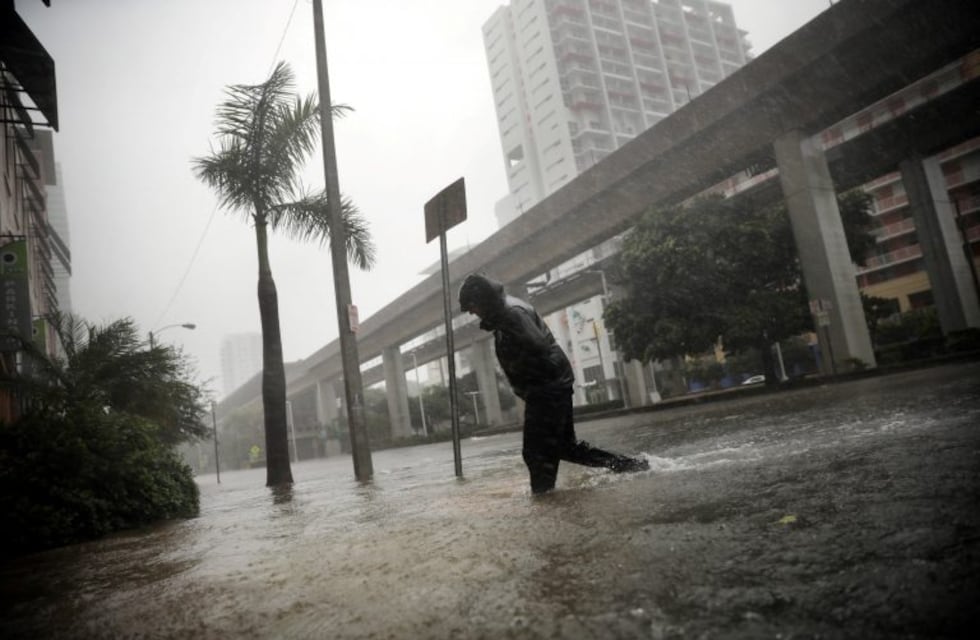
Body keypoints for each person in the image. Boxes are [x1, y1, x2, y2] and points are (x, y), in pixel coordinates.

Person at [458, 273, 649, 494]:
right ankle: (631, 466)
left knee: (536, 453)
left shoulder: (510, 314)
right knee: (565, 447)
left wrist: (527, 381)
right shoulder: (504, 312)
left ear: (482, 299)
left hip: (547, 387)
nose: (472, 312)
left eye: (472, 306)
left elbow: (537, 346)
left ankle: (544, 499)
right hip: (553, 383)